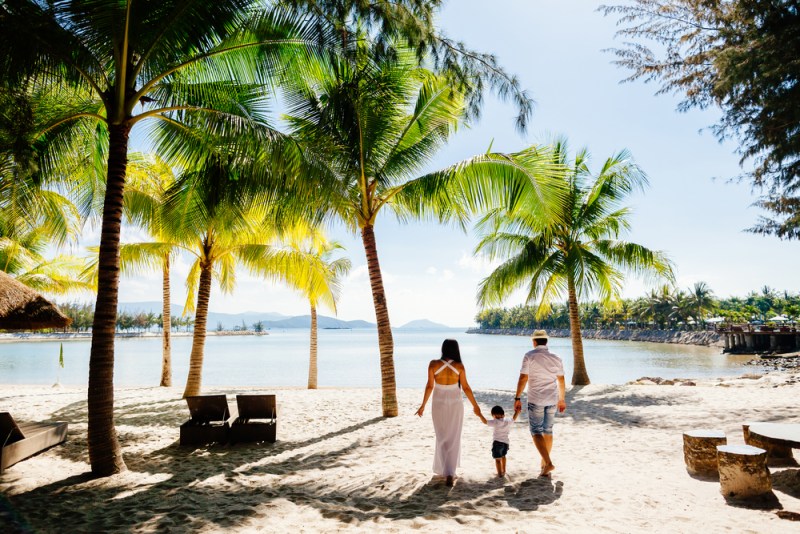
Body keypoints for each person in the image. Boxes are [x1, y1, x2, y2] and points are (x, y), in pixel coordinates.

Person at [416, 338, 484, 486]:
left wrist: (423, 405)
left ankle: (446, 471)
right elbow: (466, 388)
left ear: (443, 348)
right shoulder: (459, 366)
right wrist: (475, 405)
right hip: (455, 402)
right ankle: (450, 472)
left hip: (438, 401)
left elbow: (429, 386)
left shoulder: (433, 364)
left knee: (441, 435)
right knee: (454, 436)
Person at [513, 329, 566, 477]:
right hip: (552, 399)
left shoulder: (529, 356)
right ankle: (544, 463)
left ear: (534, 341)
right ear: (546, 341)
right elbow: (561, 380)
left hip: (536, 399)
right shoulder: (557, 357)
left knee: (536, 431)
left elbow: (523, 378)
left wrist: (517, 397)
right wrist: (561, 399)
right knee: (548, 430)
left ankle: (548, 463)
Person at [481, 405, 519, 477]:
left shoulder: (495, 422)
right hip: (506, 443)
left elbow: (485, 421)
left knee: (498, 459)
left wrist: (480, 414)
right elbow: (514, 418)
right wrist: (517, 412)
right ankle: (503, 471)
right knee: (503, 456)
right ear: (503, 414)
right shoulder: (507, 421)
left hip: (497, 443)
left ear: (493, 415)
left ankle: (499, 474)